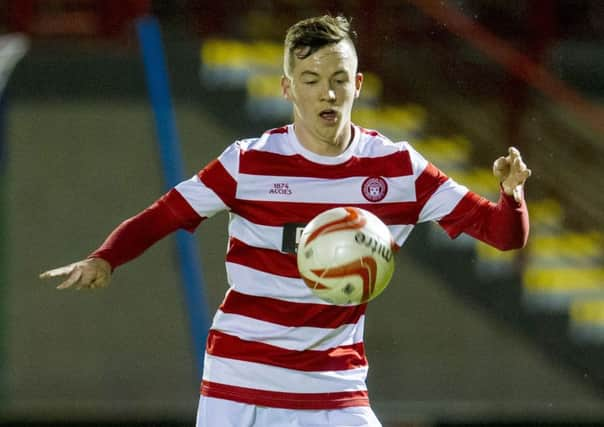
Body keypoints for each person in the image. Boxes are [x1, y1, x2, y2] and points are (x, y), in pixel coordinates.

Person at [40, 15, 531, 427]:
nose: (328, 93)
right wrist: (107, 258)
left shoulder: (399, 169)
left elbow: (503, 236)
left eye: (340, 79)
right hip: (240, 382)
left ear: (357, 84)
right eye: (312, 80)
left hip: (334, 385)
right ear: (288, 88)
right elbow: (164, 215)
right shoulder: (247, 163)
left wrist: (512, 195)